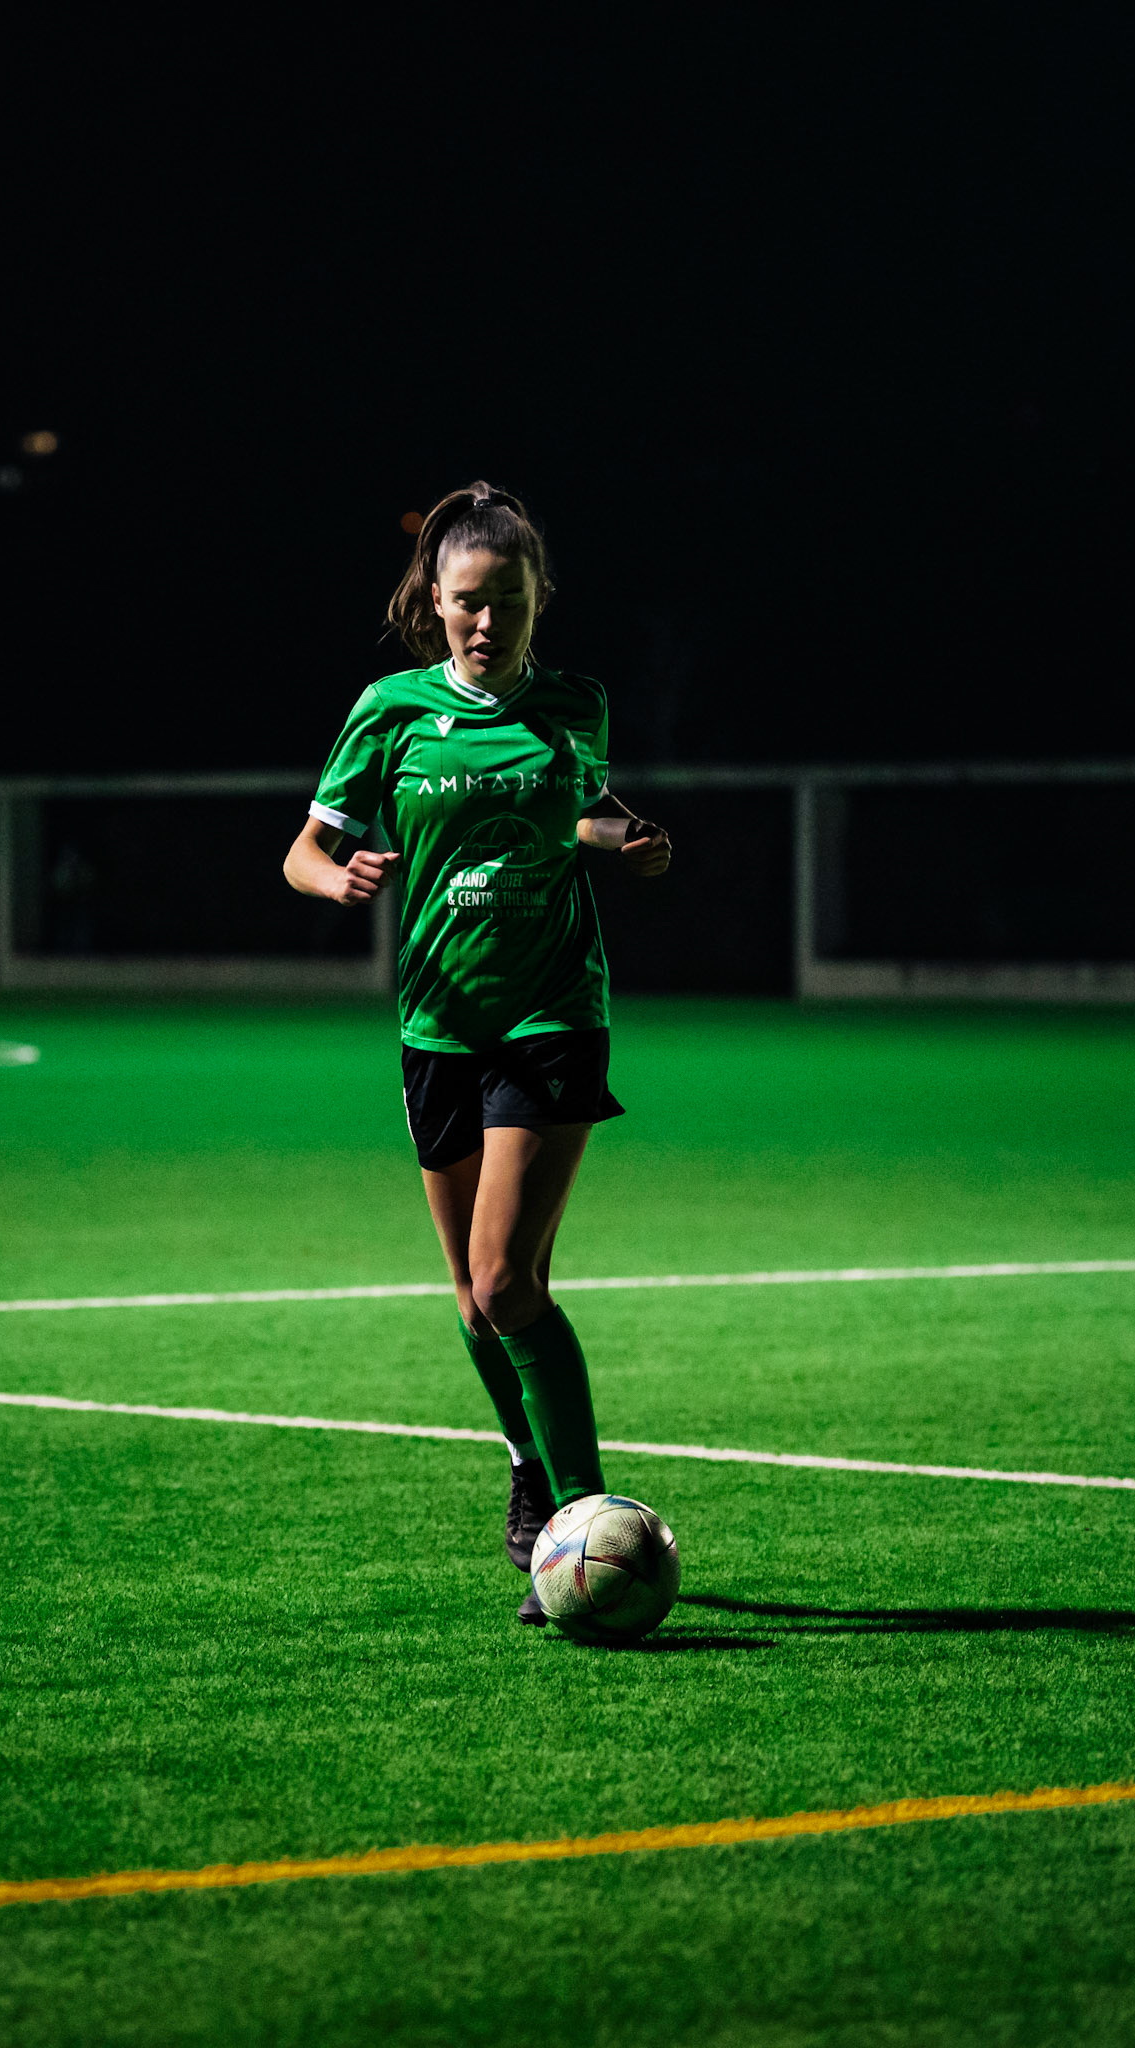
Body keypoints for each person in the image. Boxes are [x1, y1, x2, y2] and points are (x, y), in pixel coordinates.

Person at [284, 482, 671, 1625]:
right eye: (466, 603)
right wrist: (337, 873)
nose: (486, 622)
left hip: (550, 1010)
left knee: (507, 1280)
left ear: (537, 597)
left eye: (506, 601)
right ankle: (526, 1457)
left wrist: (628, 840)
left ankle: (587, 1517)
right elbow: (304, 851)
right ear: (434, 602)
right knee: (468, 1295)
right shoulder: (390, 710)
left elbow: (576, 812)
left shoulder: (574, 702)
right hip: (434, 1023)